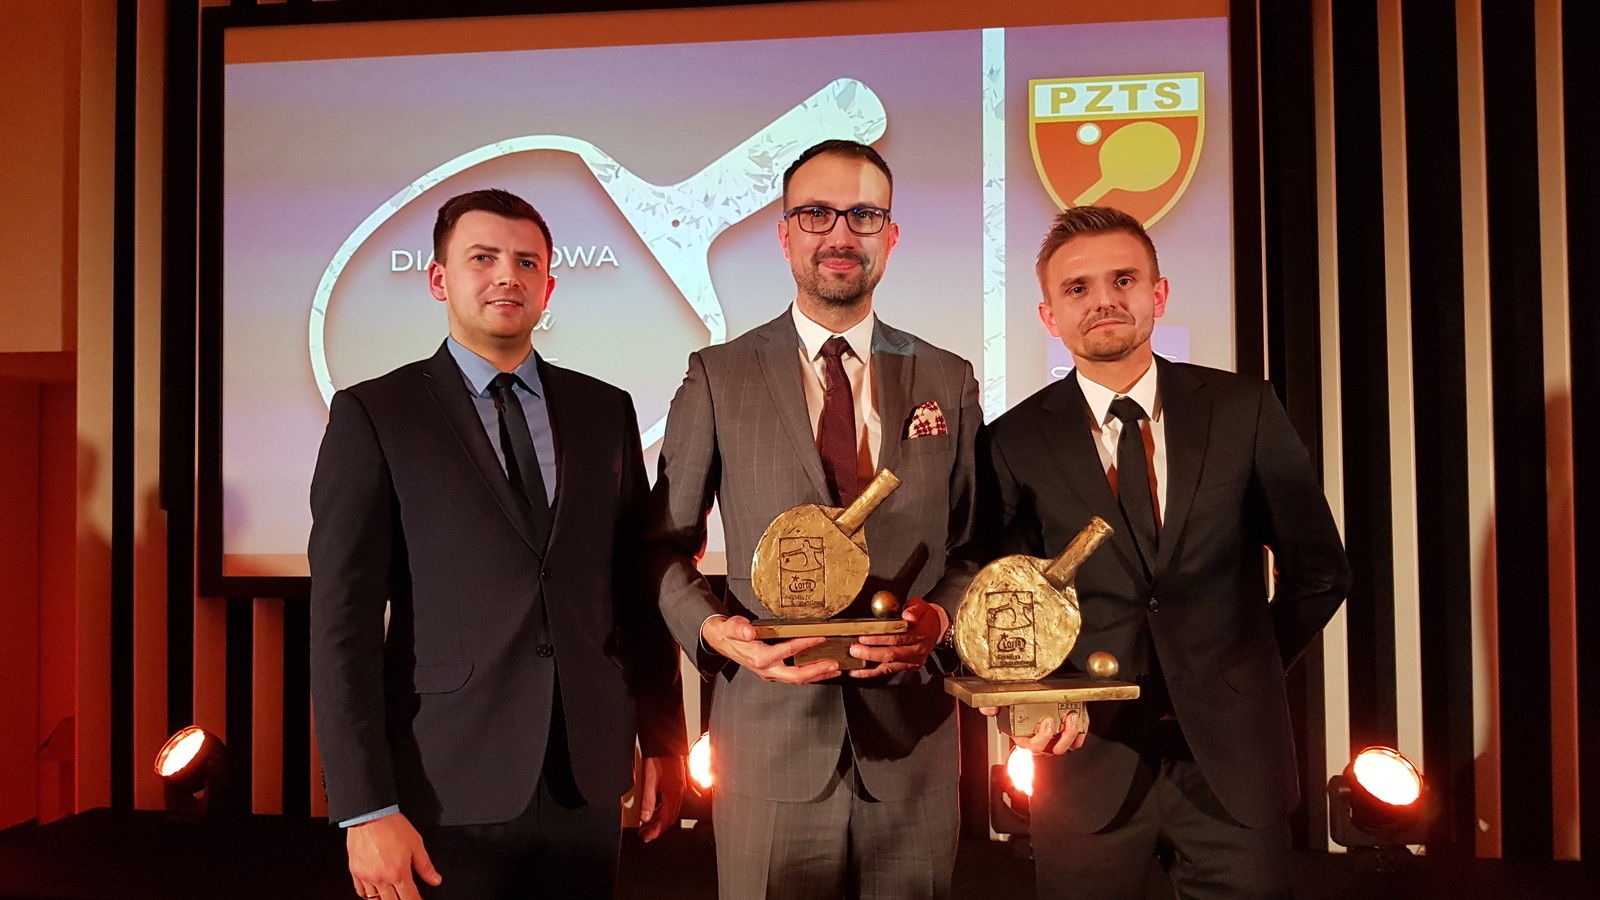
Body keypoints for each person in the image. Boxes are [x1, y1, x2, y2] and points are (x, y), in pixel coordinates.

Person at [309, 189, 686, 900]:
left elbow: (633, 589)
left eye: (526, 262)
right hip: (441, 781)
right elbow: (341, 625)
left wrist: (664, 736)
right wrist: (364, 807)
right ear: (438, 279)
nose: (507, 275)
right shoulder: (376, 413)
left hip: (586, 778)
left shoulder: (605, 409)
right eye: (482, 258)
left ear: (549, 286)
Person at [980, 206, 1352, 898]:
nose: (1103, 300)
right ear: (1049, 315)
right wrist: (1027, 701)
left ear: (1159, 293)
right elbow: (1003, 601)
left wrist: (1244, 666)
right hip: (1087, 764)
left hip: (1234, 768)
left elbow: (1320, 572)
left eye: (1123, 279)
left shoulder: (1244, 408)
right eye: (1078, 288)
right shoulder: (1013, 440)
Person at [647, 140, 981, 899]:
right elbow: (662, 545)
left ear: (891, 235)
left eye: (863, 215)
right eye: (816, 214)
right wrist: (712, 629)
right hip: (768, 740)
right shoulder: (719, 375)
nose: (839, 234)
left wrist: (941, 619)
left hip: (914, 748)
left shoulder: (948, 376)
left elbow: (973, 544)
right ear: (784, 233)